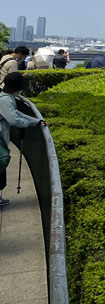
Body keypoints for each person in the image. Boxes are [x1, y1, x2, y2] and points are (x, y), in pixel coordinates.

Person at [0, 72, 46, 207]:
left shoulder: (6, 97)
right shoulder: (5, 99)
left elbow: (16, 114)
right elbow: (13, 119)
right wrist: (28, 123)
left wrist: (36, 121)